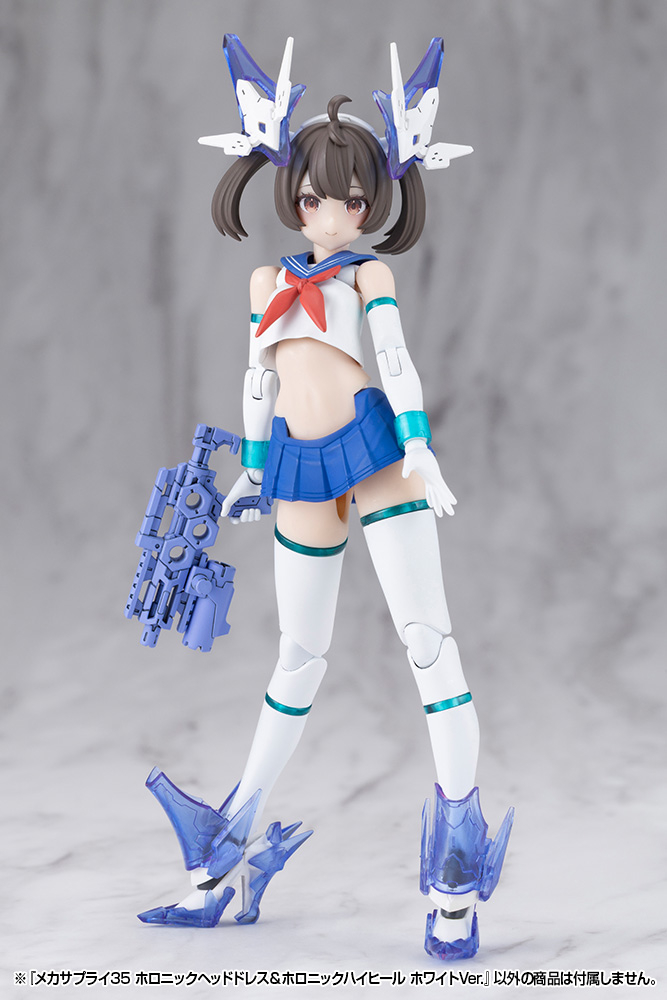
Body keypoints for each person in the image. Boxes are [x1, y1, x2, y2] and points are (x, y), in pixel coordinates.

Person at [138, 35, 512, 961]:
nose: (332, 215)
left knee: (428, 647)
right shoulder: (266, 281)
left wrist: (422, 450)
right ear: (292, 196)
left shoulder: (366, 275)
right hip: (298, 471)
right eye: (314, 199)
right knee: (296, 658)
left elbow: (397, 364)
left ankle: (454, 875)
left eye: (350, 201)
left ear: (372, 201)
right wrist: (253, 468)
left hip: (377, 459)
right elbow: (258, 381)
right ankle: (226, 855)